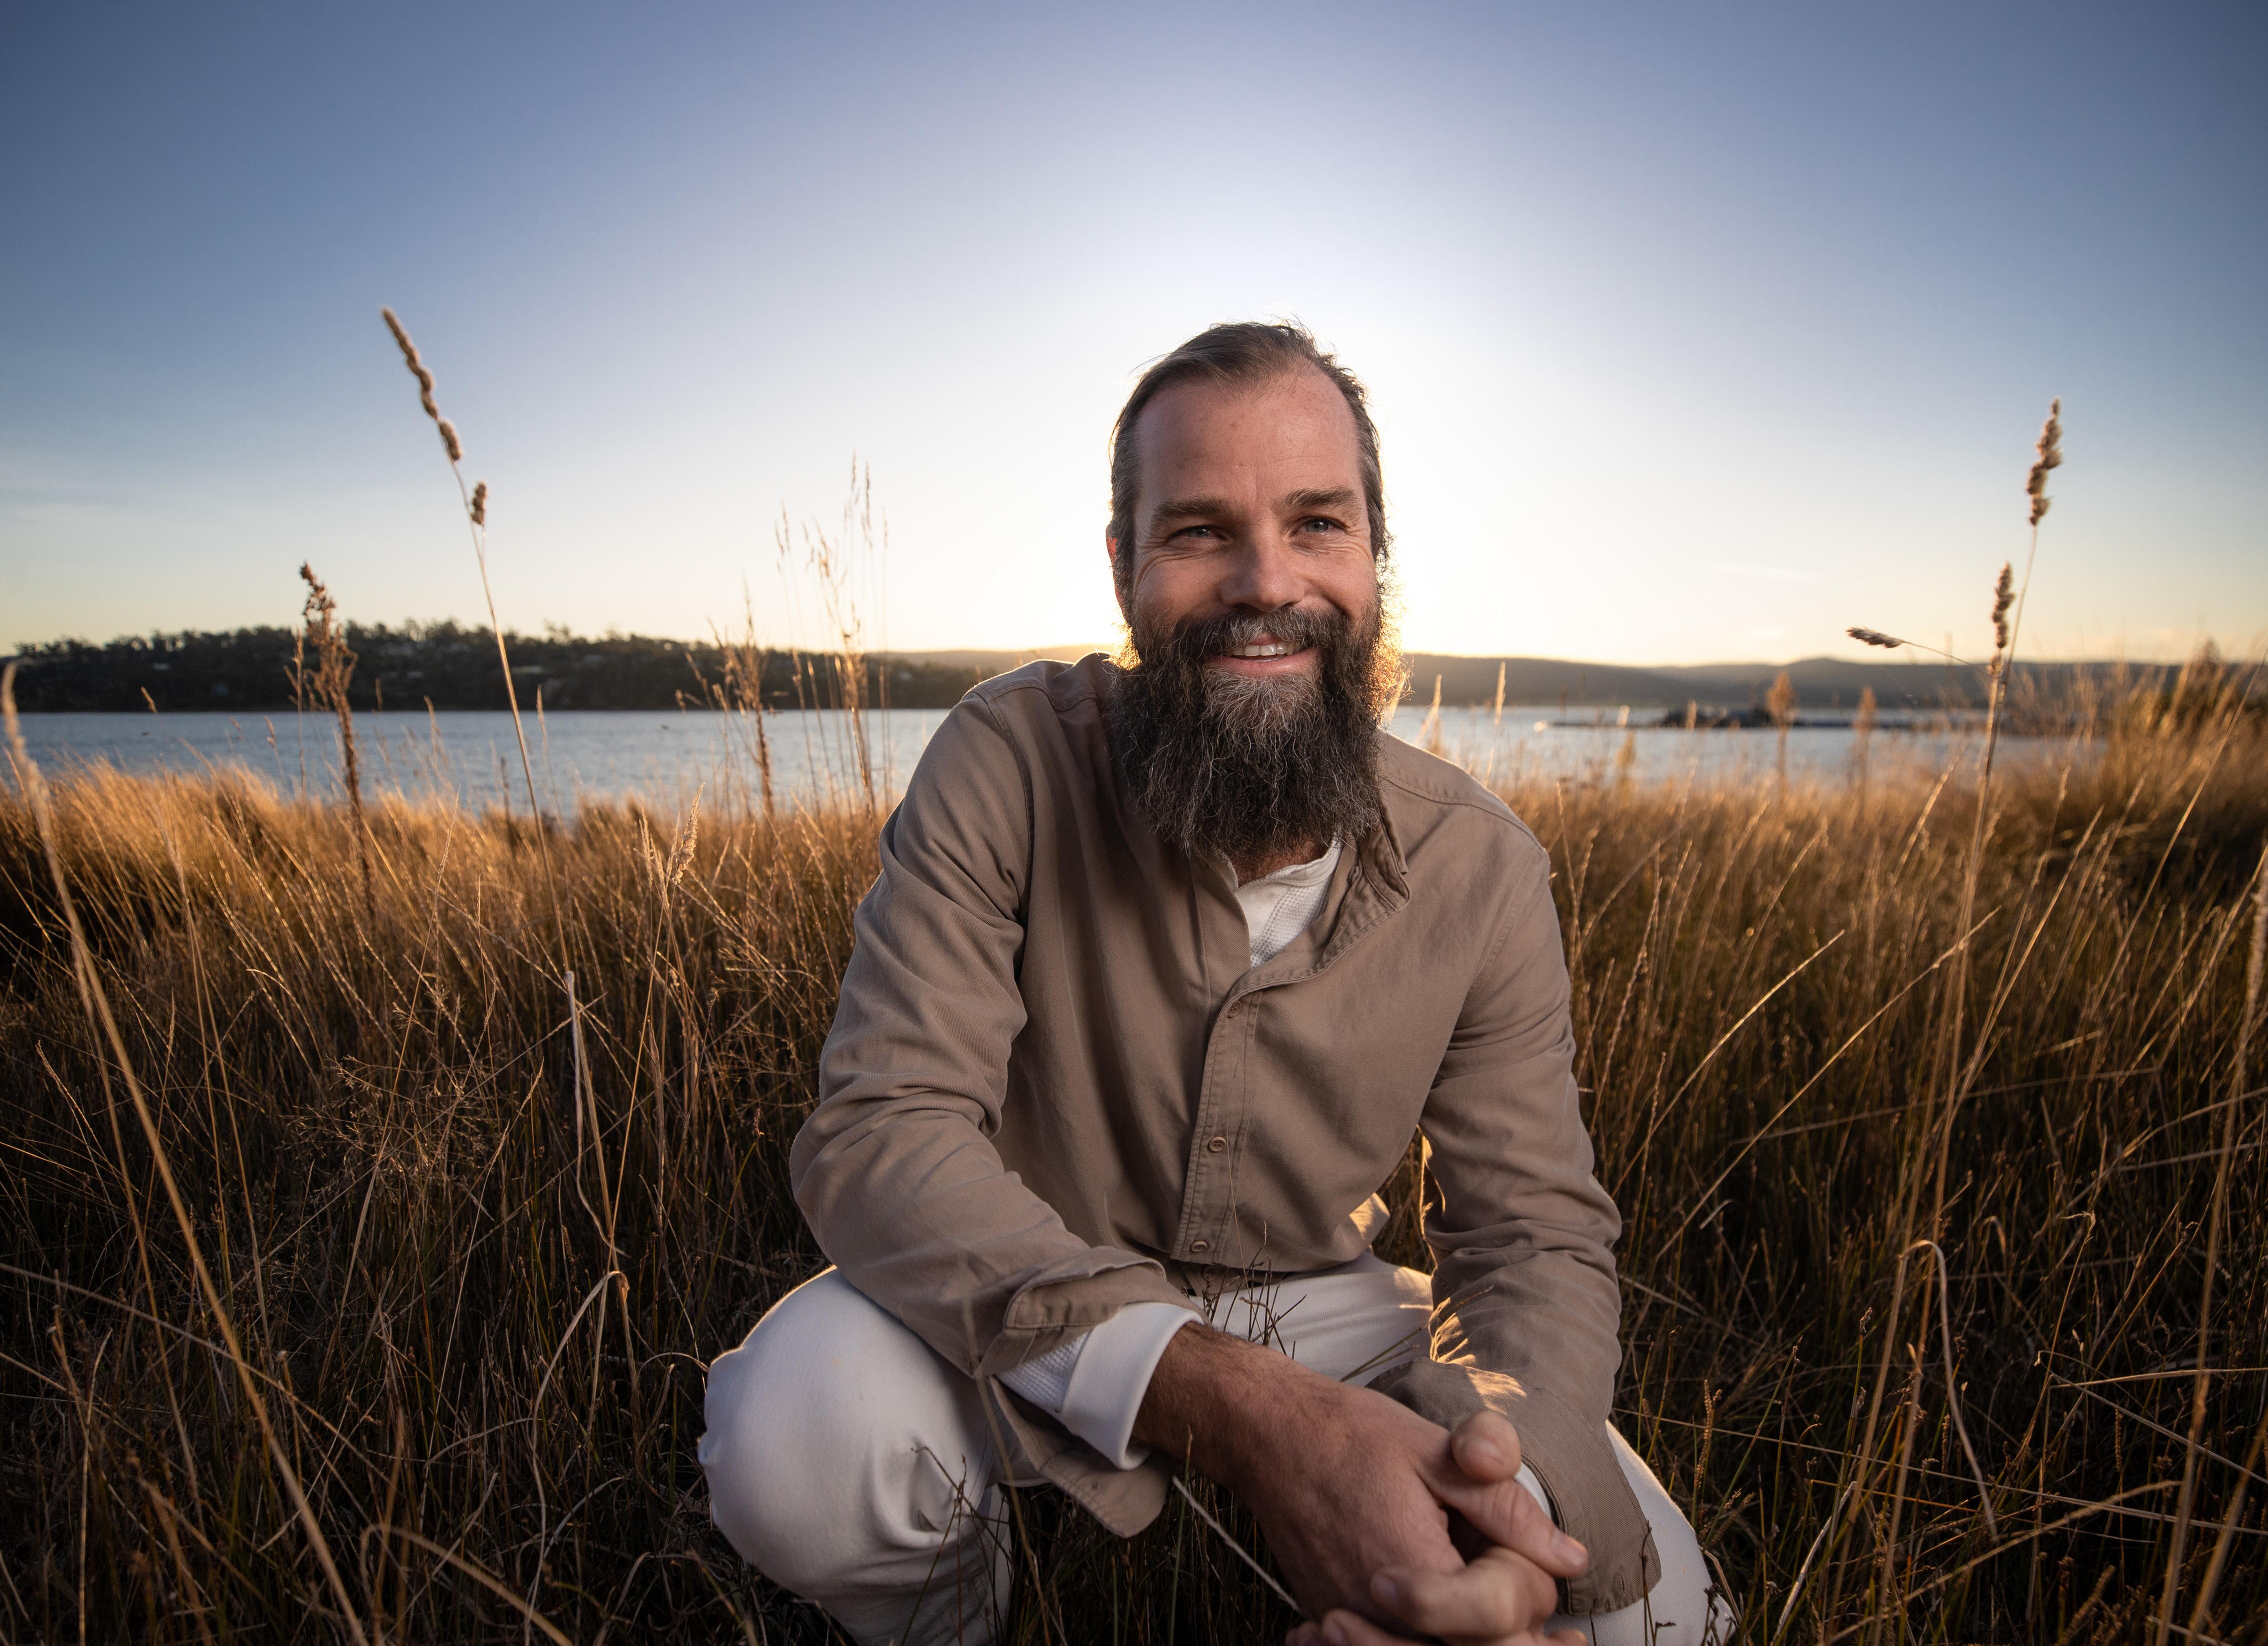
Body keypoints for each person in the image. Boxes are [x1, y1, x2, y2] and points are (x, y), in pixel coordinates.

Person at [700, 323, 1729, 1646]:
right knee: (796, 1438)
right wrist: (1257, 1421)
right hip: (1024, 1282)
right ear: (1123, 566)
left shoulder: (1482, 866)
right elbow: (885, 1132)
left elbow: (1528, 1235)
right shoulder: (1005, 761)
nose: (1266, 582)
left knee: (1654, 1613)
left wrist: (1502, 1482)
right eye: (1198, 531)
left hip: (1322, 1300)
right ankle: (963, 1622)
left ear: (1374, 561)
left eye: (1317, 523)